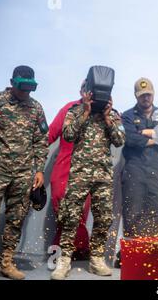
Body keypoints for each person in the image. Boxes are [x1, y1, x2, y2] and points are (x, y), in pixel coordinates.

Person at [0, 65, 48, 279]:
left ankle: (6, 262)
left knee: (16, 219)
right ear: (12, 83)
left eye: (30, 89)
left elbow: (40, 141)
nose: (25, 93)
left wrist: (40, 170)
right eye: (22, 88)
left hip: (23, 174)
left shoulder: (36, 108)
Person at [51, 89, 125, 280]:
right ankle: (64, 260)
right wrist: (84, 112)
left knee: (104, 218)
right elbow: (67, 135)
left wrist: (108, 118)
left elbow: (120, 140)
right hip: (79, 174)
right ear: (84, 93)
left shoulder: (113, 114)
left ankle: (96, 259)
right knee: (71, 217)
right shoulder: (74, 111)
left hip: (103, 175)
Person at [121, 78, 158, 238]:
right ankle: (132, 247)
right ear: (136, 96)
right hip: (134, 170)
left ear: (153, 94)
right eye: (142, 95)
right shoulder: (128, 116)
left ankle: (147, 241)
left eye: (148, 94)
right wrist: (156, 136)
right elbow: (130, 139)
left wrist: (143, 133)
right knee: (133, 211)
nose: (146, 98)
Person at [48, 81, 91, 259]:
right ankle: (62, 249)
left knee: (82, 210)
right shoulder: (69, 108)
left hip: (88, 170)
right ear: (81, 91)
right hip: (64, 166)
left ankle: (80, 249)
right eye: (86, 89)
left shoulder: (103, 112)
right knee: (61, 207)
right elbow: (49, 135)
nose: (89, 93)